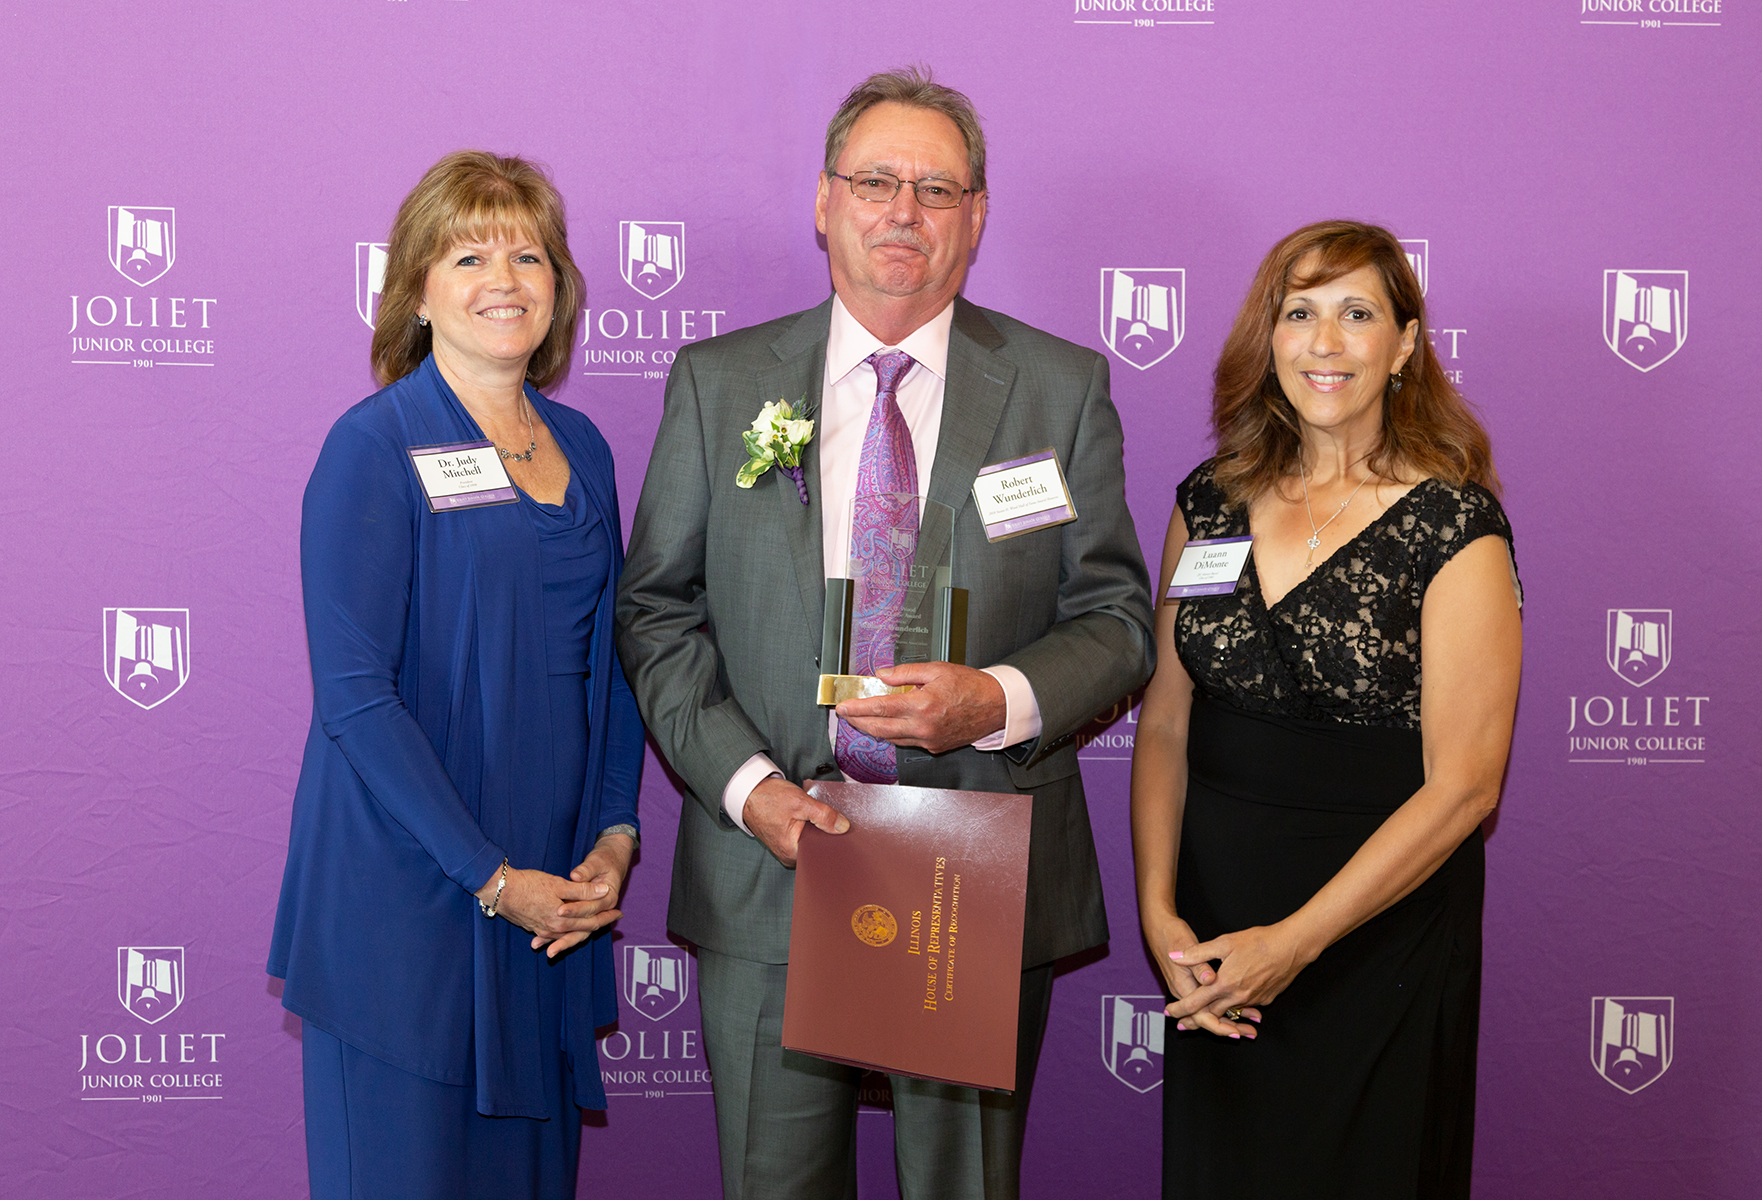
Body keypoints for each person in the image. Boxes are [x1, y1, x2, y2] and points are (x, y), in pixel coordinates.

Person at [617, 67, 1154, 1200]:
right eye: (876, 181)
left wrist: (993, 698)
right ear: (824, 201)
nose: (904, 211)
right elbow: (657, 610)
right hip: (776, 853)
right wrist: (750, 787)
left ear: (977, 215)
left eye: (938, 188)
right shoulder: (719, 386)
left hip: (972, 868)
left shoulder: (1060, 389)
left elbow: (1114, 618)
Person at [267, 151, 645, 1200]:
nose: (505, 277)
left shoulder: (588, 448)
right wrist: (487, 878)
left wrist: (616, 834)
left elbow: (612, 663)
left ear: (560, 284)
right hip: (412, 895)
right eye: (469, 252)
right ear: (416, 291)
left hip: (551, 902)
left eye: (529, 252)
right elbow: (354, 696)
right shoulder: (372, 445)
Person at [1130, 220, 1522, 1198]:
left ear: (1405, 345)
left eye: (1357, 314)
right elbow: (1169, 720)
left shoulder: (1454, 524)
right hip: (1219, 946)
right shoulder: (1206, 502)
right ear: (1268, 341)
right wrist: (1158, 912)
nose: (1326, 341)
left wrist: (1295, 944)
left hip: (1374, 943)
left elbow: (1467, 788)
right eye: (1299, 313)